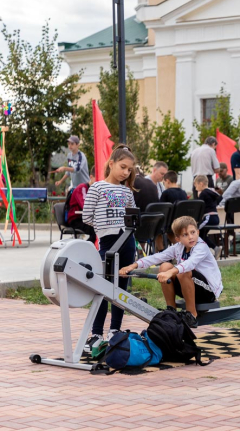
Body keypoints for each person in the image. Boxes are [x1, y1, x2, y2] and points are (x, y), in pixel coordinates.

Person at [119, 216, 223, 328]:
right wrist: (133, 266)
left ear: (198, 232)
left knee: (182, 271)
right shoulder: (178, 247)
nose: (190, 237)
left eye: (193, 232)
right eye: (185, 235)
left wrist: (170, 273)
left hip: (208, 291)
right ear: (178, 238)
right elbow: (157, 257)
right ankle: (171, 310)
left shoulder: (201, 247)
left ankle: (191, 314)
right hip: (191, 286)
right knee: (164, 266)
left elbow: (190, 263)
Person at [82, 145, 137, 353]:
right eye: (123, 167)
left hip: (127, 241)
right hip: (107, 242)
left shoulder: (127, 191)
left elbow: (132, 216)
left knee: (121, 288)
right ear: (111, 163)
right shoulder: (97, 187)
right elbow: (87, 216)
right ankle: (96, 334)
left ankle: (115, 330)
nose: (126, 172)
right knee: (102, 288)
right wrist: (104, 225)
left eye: (129, 169)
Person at [66, 166, 97, 243]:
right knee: (95, 230)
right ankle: (86, 248)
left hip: (87, 219)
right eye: (98, 179)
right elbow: (85, 206)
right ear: (91, 177)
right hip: (76, 219)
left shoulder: (96, 190)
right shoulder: (82, 188)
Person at [194, 174, 222, 251]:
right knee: (201, 234)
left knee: (195, 232)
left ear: (201, 184)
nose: (196, 189)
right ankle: (212, 249)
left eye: (196, 186)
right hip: (215, 217)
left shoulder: (203, 193)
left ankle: (214, 248)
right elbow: (220, 198)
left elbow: (199, 207)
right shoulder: (212, 191)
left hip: (208, 217)